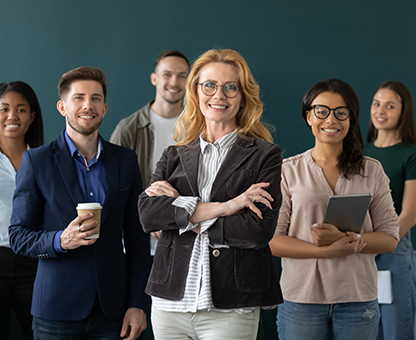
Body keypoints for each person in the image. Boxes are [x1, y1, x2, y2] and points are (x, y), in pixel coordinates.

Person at [138, 48, 283, 340]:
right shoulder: (174, 155)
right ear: (196, 92)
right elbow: (148, 215)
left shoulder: (265, 155)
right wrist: (228, 206)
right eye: (210, 85)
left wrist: (179, 213)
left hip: (231, 305)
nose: (219, 96)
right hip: (170, 303)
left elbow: (257, 230)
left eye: (231, 87)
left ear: (243, 97)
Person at [9, 67, 151, 340]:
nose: (88, 105)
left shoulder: (126, 161)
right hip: (55, 309)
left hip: (114, 311)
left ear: (105, 108)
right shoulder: (36, 161)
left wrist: (138, 304)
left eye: (96, 98)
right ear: (62, 106)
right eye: (79, 98)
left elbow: (138, 240)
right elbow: (18, 236)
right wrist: (60, 240)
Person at [269, 79, 399, 340]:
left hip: (358, 299)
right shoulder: (288, 171)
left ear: (351, 119)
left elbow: (390, 238)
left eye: (341, 112)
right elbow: (272, 241)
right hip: (300, 301)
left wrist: (350, 240)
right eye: (322, 111)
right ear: (309, 116)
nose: (331, 120)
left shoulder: (371, 170)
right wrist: (326, 250)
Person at [110, 49, 190, 257]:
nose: (175, 81)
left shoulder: (199, 128)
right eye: (167, 74)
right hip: (139, 248)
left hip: (188, 245)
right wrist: (151, 218)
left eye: (182, 76)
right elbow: (112, 189)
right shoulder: (128, 129)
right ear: (154, 78)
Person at [364, 80, 416, 340]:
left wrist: (377, 245)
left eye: (390, 106)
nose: (380, 111)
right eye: (376, 104)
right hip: (359, 251)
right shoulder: (360, 153)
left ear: (403, 112)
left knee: (396, 330)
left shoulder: (411, 153)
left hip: (392, 250)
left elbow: (409, 215)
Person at [0, 81, 44, 340]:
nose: (12, 116)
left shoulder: (45, 160)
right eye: (4, 109)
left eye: (21, 109)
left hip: (35, 262)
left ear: (32, 117)